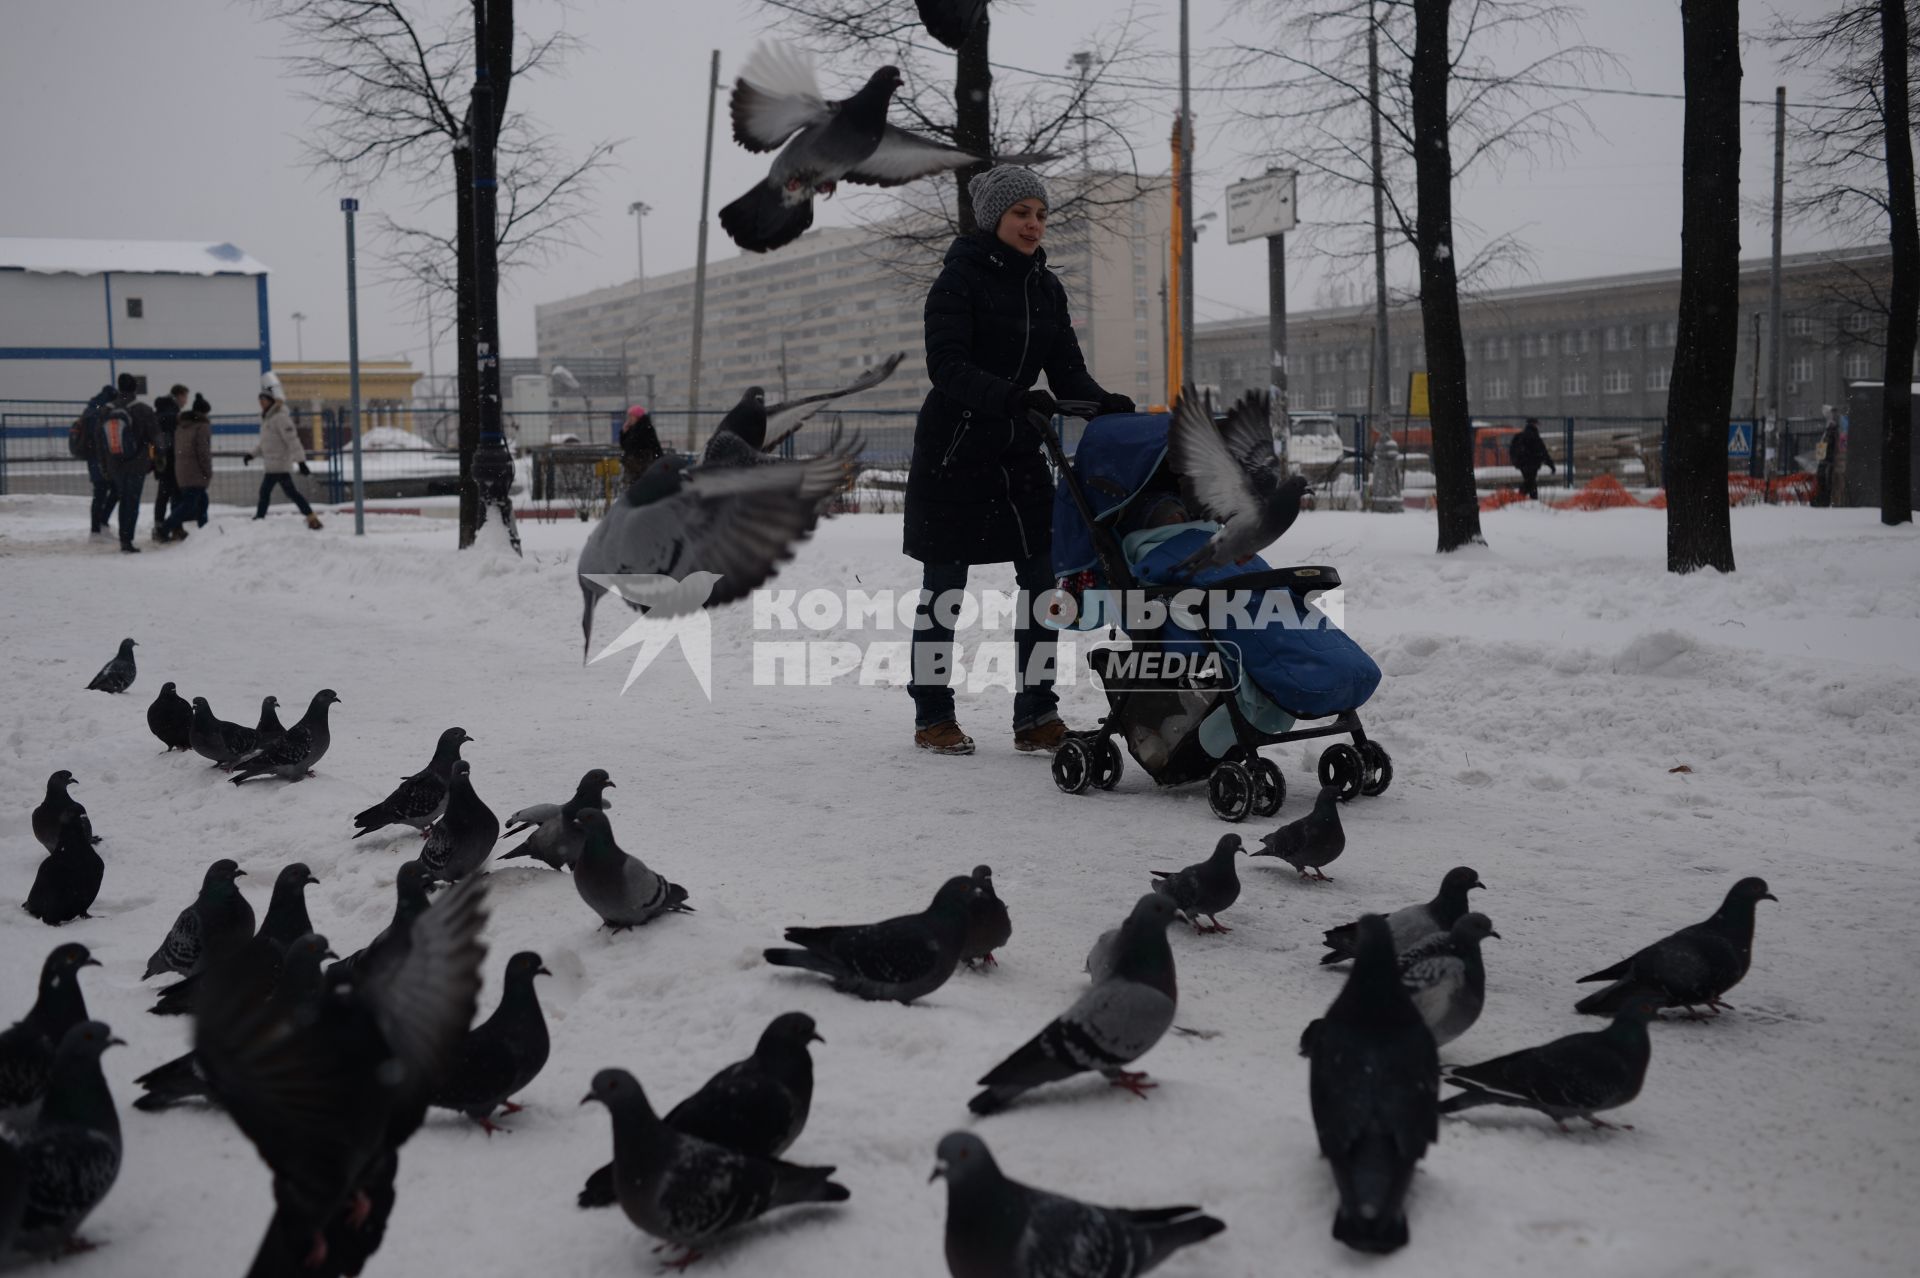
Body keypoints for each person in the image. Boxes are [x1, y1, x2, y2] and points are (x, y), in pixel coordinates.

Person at [903, 165, 1135, 756]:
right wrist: (1010, 397)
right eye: (1021, 214)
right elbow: (946, 367)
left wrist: (1102, 405)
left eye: (1040, 213)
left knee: (1041, 585)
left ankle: (1036, 712)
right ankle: (932, 714)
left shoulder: (1045, 287)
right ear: (995, 218)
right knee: (944, 591)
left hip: (1019, 452)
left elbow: (1067, 373)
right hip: (954, 451)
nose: (1033, 225)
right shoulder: (957, 281)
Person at [247, 376, 322, 528]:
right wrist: (251, 454)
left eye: (264, 400)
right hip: (273, 464)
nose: (261, 403)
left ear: (272, 401)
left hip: (279, 464)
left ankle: (260, 519)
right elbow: (264, 445)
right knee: (290, 493)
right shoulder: (268, 420)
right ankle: (311, 517)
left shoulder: (280, 418)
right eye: (260, 400)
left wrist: (301, 462)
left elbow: (293, 441)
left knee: (266, 493)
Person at [95, 390, 155, 553]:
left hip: (115, 465)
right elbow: (154, 436)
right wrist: (156, 459)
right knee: (132, 503)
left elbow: (100, 441)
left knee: (123, 500)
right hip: (137, 464)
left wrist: (104, 465)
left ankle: (124, 539)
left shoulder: (106, 411)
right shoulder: (142, 409)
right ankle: (127, 539)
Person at [159, 394, 214, 542]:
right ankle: (164, 528)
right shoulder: (202, 427)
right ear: (204, 413)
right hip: (195, 472)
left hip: (181, 471)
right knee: (188, 505)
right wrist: (207, 471)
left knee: (202, 500)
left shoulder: (182, 425)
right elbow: (203, 452)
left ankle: (204, 528)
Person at [80, 384, 119, 536]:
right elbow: (103, 437)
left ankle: (98, 525)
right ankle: (98, 525)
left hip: (93, 458)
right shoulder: (102, 412)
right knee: (111, 490)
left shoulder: (90, 410)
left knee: (101, 492)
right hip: (102, 457)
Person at [149, 382, 187, 538]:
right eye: (185, 397)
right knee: (176, 495)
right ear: (179, 396)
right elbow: (176, 437)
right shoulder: (173, 414)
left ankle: (159, 525)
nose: (186, 401)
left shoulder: (159, 412)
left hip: (160, 459)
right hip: (172, 459)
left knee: (163, 495)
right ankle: (175, 527)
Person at [1508, 418, 1556, 500]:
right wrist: (1551, 465)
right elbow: (1543, 452)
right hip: (1533, 464)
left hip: (1522, 464)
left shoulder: (1519, 436)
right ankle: (1519, 498)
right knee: (1530, 482)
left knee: (1530, 482)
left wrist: (1516, 461)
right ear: (1534, 425)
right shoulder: (1535, 437)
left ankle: (1532, 500)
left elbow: (1512, 450)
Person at [619, 404, 664, 482]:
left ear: (637, 417)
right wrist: (624, 433)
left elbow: (633, 445)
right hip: (636, 465)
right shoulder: (634, 428)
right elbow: (625, 446)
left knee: (641, 484)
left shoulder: (644, 428)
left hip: (642, 464)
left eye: (631, 416)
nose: (629, 419)